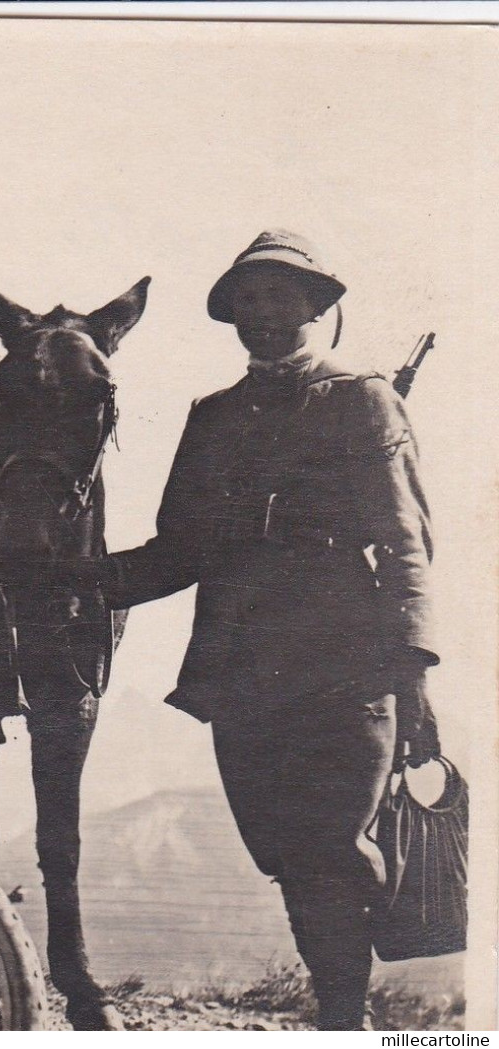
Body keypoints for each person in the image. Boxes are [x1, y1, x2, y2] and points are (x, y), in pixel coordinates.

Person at [91, 231, 437, 1030]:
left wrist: (413, 667)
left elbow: (404, 543)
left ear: (316, 305)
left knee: (325, 849)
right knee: (285, 856)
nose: (260, 313)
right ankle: (340, 994)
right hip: (241, 676)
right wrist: (81, 583)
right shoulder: (211, 417)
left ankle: (343, 1019)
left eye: (278, 294)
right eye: (246, 298)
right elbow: (177, 550)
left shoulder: (362, 399)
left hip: (347, 671)